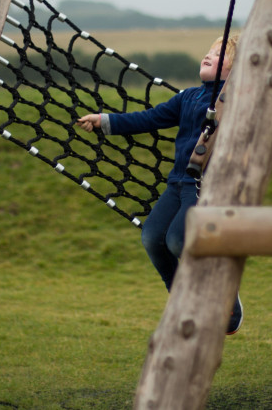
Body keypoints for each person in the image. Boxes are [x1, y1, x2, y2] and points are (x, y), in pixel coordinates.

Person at [76, 35, 244, 335]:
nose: (208, 55)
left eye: (220, 54)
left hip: (205, 186)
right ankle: (181, 297)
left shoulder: (234, 101)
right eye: (209, 50)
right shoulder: (188, 97)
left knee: (179, 241)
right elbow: (149, 118)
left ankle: (224, 289)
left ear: (237, 70)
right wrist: (105, 121)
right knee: (152, 238)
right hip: (178, 183)